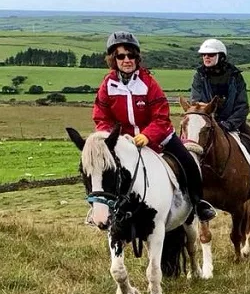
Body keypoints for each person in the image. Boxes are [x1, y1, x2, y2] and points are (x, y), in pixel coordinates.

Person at [92, 31, 216, 221]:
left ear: (137, 57)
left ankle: (198, 203)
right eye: (121, 56)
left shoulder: (149, 83)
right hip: (124, 141)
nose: (127, 60)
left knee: (188, 162)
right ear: (113, 59)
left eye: (131, 55)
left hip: (158, 138)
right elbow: (101, 118)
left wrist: (148, 135)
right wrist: (113, 137)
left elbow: (161, 117)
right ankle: (101, 207)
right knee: (99, 168)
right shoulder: (107, 86)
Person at [189, 38, 250, 206]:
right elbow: (196, 100)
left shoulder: (235, 76)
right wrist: (210, 120)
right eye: (204, 55)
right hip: (208, 123)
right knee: (188, 148)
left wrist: (229, 124)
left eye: (210, 55)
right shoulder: (199, 75)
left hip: (233, 122)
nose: (206, 57)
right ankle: (188, 191)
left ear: (220, 56)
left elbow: (242, 105)